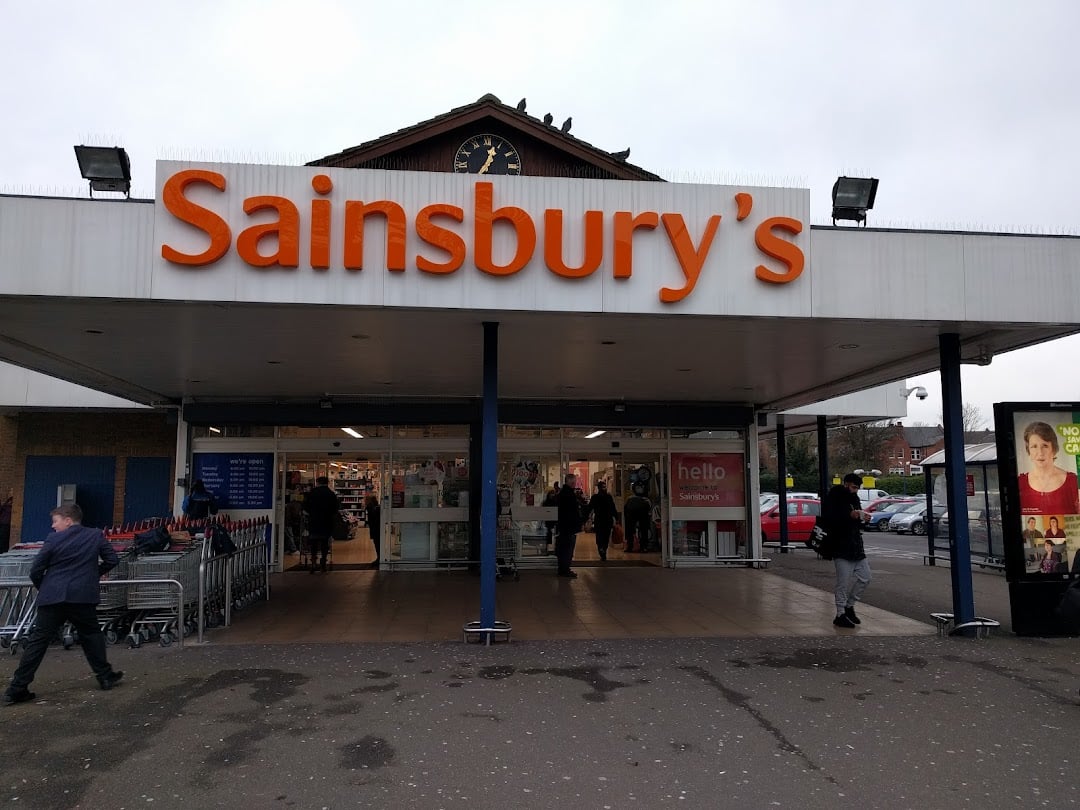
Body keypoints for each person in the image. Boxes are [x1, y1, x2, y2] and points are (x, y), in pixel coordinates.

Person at [4, 504, 124, 706]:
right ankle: (105, 676)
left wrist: (46, 586)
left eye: (56, 521)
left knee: (38, 642)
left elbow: (36, 569)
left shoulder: (53, 539)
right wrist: (94, 575)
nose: (53, 526)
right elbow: (112, 559)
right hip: (82, 597)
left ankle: (17, 688)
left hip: (53, 598)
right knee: (91, 636)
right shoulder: (95, 535)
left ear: (68, 520)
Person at [824, 473, 871, 629]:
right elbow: (831, 519)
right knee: (842, 582)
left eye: (857, 488)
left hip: (856, 545)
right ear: (846, 484)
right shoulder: (835, 498)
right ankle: (840, 613)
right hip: (841, 546)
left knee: (866, 577)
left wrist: (862, 518)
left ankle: (849, 606)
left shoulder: (854, 499)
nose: (855, 490)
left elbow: (855, 520)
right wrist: (849, 516)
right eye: (854, 487)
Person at [1019, 421, 1080, 516]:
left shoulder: (1073, 481)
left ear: (1054, 449)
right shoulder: (1020, 483)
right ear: (1029, 451)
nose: (1040, 452)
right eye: (1034, 446)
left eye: (1045, 446)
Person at [302, 476, 340, 573]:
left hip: (314, 521)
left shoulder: (312, 493)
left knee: (313, 542)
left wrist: (309, 513)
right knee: (324, 542)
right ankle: (323, 562)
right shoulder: (331, 494)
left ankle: (313, 562)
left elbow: (305, 507)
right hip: (327, 521)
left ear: (318, 482)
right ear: (327, 483)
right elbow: (335, 509)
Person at [555, 473, 584, 578]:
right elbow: (572, 512)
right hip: (569, 527)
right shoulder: (569, 495)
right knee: (568, 549)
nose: (574, 483)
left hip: (564, 526)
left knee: (564, 548)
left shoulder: (562, 494)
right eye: (573, 481)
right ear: (570, 482)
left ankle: (563, 569)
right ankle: (565, 569)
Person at [584, 480, 619, 561]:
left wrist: (585, 518)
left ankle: (601, 549)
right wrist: (616, 518)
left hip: (599, 519)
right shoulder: (608, 497)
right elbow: (613, 508)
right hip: (607, 519)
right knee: (606, 536)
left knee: (599, 536)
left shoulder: (595, 497)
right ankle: (603, 550)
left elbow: (590, 508)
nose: (605, 488)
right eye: (604, 487)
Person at [623, 489, 652, 553]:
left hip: (630, 513)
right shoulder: (646, 500)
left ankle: (630, 547)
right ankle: (644, 547)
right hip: (643, 512)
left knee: (629, 530)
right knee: (643, 529)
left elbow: (625, 508)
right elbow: (649, 509)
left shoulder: (629, 499)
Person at [542, 482, 560, 554]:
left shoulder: (555, 501)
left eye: (553, 493)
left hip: (554, 520)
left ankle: (554, 548)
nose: (552, 495)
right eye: (551, 493)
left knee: (555, 535)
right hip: (549, 521)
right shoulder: (547, 502)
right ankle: (549, 549)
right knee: (549, 535)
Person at [365, 493, 381, 566]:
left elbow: (372, 519)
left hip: (375, 528)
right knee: (377, 543)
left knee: (377, 543)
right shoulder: (376, 507)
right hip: (377, 528)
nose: (364, 501)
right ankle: (379, 558)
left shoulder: (371, 507)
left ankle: (379, 558)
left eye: (366, 499)